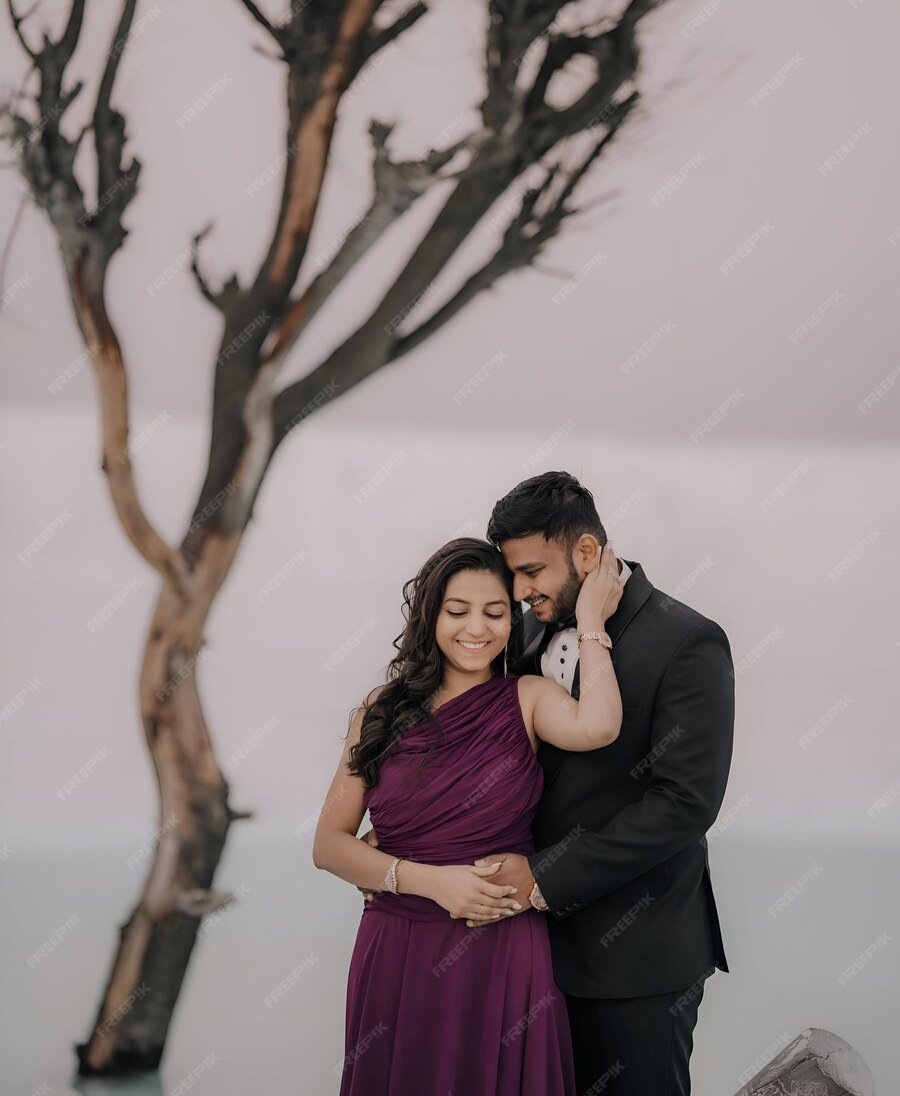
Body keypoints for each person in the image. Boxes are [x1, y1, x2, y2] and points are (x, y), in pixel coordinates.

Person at [312, 536, 626, 1095]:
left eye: (495, 612)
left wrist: (590, 624)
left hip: (503, 947)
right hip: (398, 947)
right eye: (457, 611)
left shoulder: (528, 697)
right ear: (431, 616)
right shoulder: (381, 709)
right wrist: (431, 882)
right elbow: (329, 845)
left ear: (512, 620)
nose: (476, 628)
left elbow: (599, 725)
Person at [458, 470, 735, 1096]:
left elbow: (685, 804)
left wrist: (544, 876)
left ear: (586, 551)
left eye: (531, 571)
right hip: (527, 954)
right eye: (513, 574)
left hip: (638, 962)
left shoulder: (687, 640)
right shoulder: (529, 630)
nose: (519, 591)